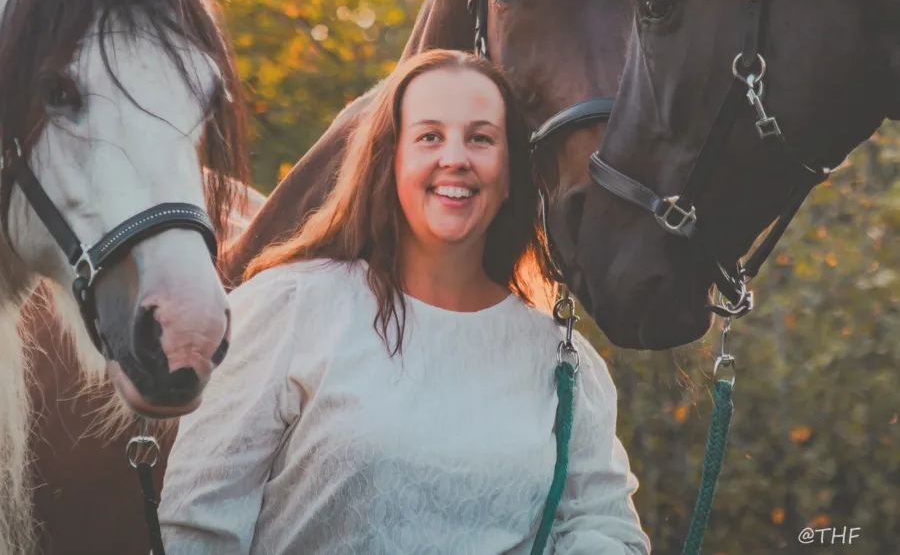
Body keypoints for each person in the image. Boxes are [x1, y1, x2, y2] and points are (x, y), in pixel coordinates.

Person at [159, 49, 651, 554]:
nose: (455, 158)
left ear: (510, 176)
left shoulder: (561, 362)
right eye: (429, 137)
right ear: (389, 162)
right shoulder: (290, 309)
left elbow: (607, 527)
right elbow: (199, 525)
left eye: (480, 138)